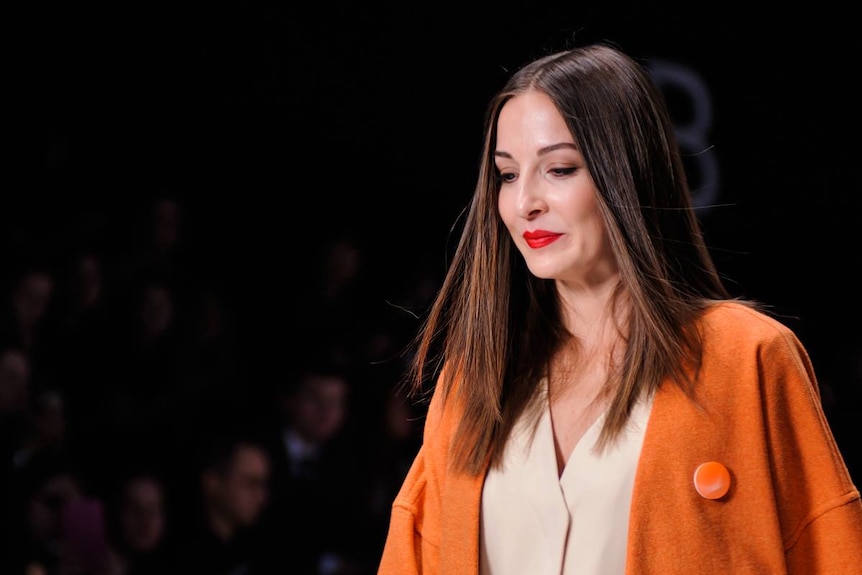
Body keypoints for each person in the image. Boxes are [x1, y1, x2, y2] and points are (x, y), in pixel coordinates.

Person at [376, 41, 862, 574]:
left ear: (626, 172)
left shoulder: (747, 358)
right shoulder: (473, 382)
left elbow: (828, 551)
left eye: (559, 169)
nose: (524, 202)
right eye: (508, 174)